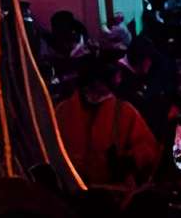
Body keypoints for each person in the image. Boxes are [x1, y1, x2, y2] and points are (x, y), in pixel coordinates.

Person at [55, 57, 159, 192]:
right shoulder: (63, 111)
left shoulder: (124, 112)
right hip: (69, 191)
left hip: (110, 194)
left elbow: (148, 148)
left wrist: (129, 161)